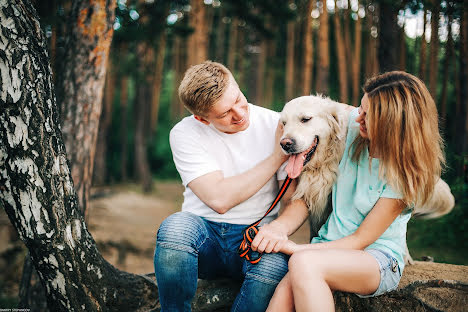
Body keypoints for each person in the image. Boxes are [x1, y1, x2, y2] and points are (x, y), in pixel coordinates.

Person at [262, 71, 445, 311]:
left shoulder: (403, 175)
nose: (357, 117)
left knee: (303, 262)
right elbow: (326, 109)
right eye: (360, 108)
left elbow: (361, 240)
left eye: (367, 115)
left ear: (390, 122)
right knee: (279, 301)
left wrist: (296, 248)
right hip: (326, 249)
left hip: (377, 259)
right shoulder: (350, 130)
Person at [153, 61, 298, 312]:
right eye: (224, 114)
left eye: (239, 99)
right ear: (201, 118)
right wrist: (277, 156)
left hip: (255, 237)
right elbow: (219, 199)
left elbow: (296, 199)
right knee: (175, 228)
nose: (240, 114)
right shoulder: (184, 132)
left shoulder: (278, 125)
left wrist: (278, 229)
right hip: (203, 237)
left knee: (275, 266)